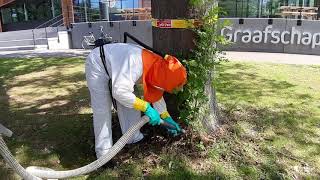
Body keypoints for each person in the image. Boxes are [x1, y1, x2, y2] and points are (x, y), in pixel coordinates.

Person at [85, 43, 187, 159]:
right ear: (167, 80)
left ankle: (133, 138)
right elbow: (119, 91)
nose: (178, 90)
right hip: (98, 64)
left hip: (119, 69)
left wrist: (166, 117)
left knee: (131, 104)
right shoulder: (136, 62)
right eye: (175, 87)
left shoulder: (159, 69)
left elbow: (157, 94)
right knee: (102, 111)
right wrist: (146, 107)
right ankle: (103, 155)